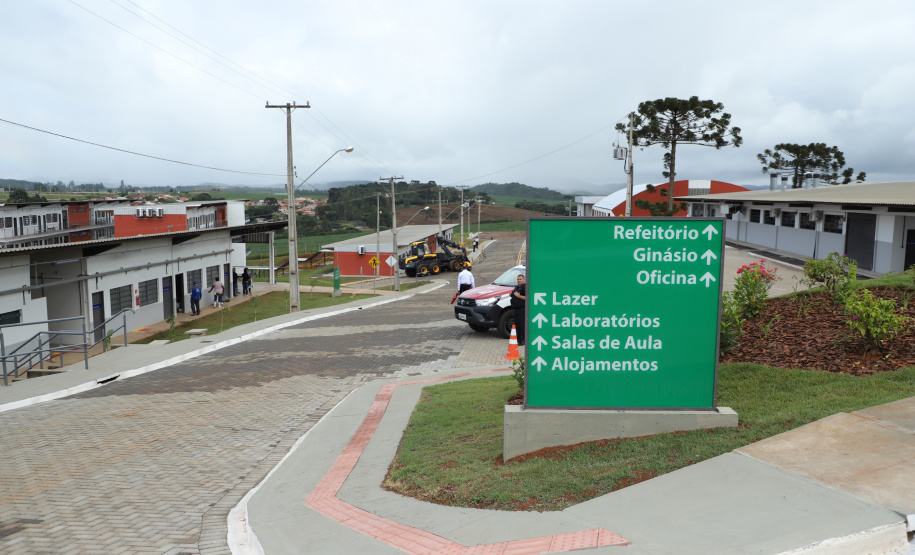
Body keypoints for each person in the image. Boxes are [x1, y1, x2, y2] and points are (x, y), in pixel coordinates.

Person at [510, 274, 526, 345]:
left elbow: (527, 298)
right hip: (516, 309)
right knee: (517, 325)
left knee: (522, 325)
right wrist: (511, 294)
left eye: (520, 279)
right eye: (518, 279)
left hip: (522, 309)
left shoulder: (525, 287)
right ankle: (519, 339)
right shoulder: (516, 287)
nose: (519, 280)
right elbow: (513, 294)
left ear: (524, 280)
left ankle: (524, 339)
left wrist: (519, 296)